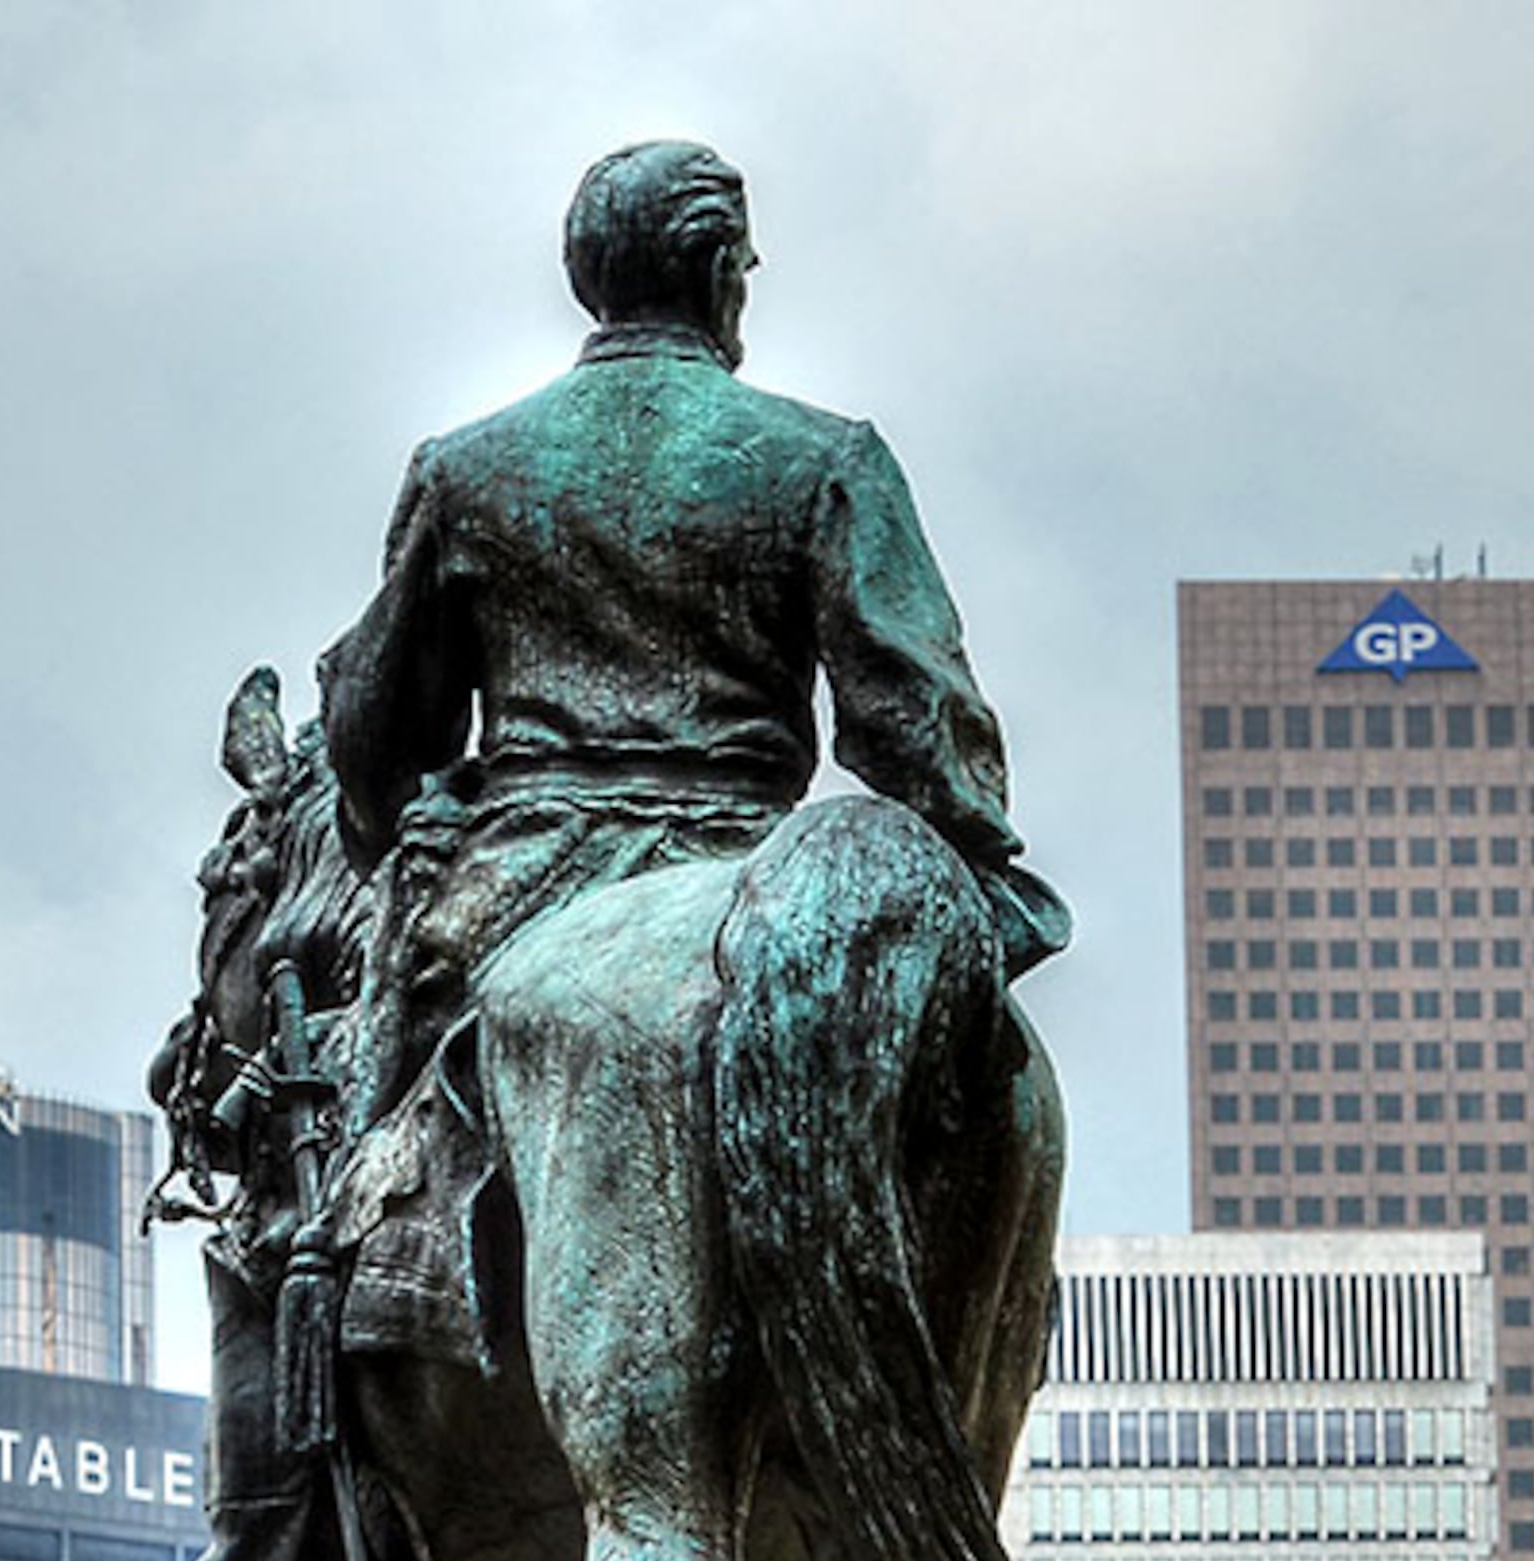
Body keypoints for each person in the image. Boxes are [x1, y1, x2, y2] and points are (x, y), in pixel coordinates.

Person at [317, 139, 1064, 1176]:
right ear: (719, 274)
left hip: (520, 878)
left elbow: (380, 736)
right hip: (749, 862)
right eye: (745, 269)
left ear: (590, 282)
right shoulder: (828, 458)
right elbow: (915, 711)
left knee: (368, 1171)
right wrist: (978, 859)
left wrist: (393, 819)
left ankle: (372, 1285)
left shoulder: (464, 470)